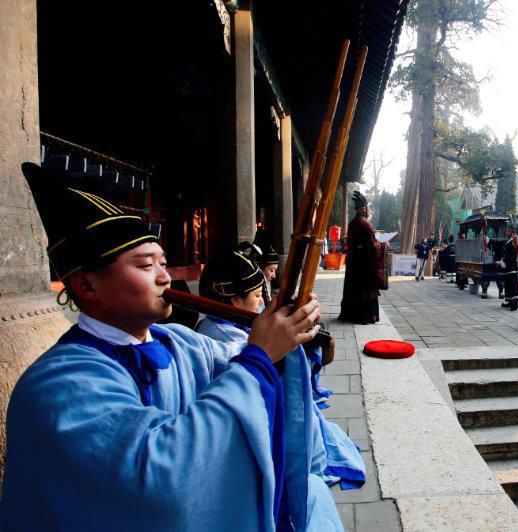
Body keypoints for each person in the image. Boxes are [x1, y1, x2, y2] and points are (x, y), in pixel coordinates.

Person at [1, 163, 343, 530]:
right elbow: (161, 484)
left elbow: (246, 370)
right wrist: (258, 361)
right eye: (146, 265)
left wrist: (287, 342)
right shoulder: (58, 386)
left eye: (163, 263)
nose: (166, 277)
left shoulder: (179, 342)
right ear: (86, 286)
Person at [196, 250, 366, 490]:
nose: (262, 303)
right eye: (257, 296)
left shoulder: (226, 324)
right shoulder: (219, 340)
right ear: (235, 301)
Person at [339, 191, 382, 324]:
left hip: (354, 263)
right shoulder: (366, 224)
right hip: (365, 265)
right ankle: (366, 316)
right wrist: (383, 245)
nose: (368, 210)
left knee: (354, 288)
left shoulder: (352, 223)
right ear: (363, 208)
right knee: (365, 289)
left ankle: (352, 314)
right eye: (367, 207)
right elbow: (372, 246)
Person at [497, 226, 518, 311]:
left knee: (513, 285)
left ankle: (515, 303)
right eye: (506, 231)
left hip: (512, 266)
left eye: (508, 231)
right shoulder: (509, 241)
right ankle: (510, 301)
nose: (506, 233)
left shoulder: (515, 241)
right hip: (507, 266)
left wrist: (501, 262)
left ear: (512, 232)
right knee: (508, 285)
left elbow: (513, 253)